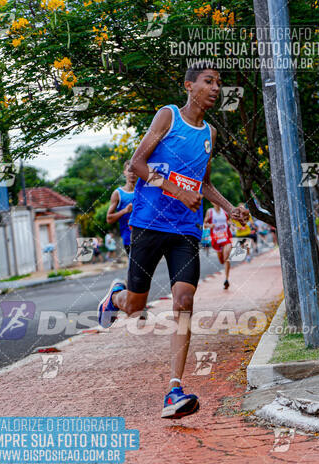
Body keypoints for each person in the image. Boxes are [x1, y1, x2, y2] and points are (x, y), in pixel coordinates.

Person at [97, 62, 249, 419]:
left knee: (184, 300)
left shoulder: (209, 133)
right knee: (135, 306)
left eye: (219, 83)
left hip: (185, 230)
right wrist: (177, 191)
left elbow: (205, 184)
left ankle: (174, 389)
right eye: (209, 82)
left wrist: (230, 209)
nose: (215, 88)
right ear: (189, 86)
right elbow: (137, 164)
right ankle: (115, 297)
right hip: (149, 224)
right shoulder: (168, 117)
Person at [106, 159, 137, 255]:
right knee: (135, 269)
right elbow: (109, 219)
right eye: (129, 170)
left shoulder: (143, 191)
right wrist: (125, 211)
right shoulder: (118, 193)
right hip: (129, 239)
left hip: (146, 237)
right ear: (124, 173)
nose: (132, 173)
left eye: (135, 170)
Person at [203, 203, 232, 289]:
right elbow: (205, 224)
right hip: (216, 239)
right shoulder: (210, 211)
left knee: (226, 257)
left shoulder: (225, 211)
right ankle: (223, 262)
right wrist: (210, 225)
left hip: (226, 237)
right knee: (222, 260)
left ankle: (226, 279)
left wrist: (231, 225)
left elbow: (229, 220)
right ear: (212, 202)